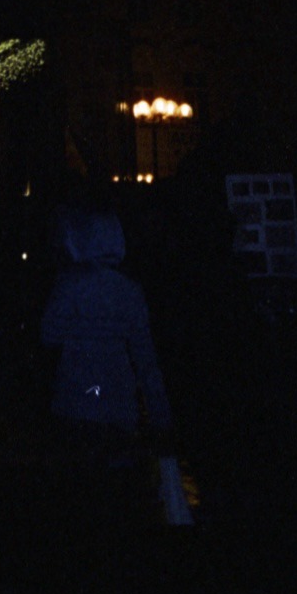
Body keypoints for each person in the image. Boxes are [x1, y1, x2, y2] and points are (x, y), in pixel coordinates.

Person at [41, 207, 189, 519]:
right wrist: (161, 418)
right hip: (117, 405)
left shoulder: (69, 285)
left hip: (75, 402)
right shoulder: (129, 290)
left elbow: (48, 335)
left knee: (79, 496)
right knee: (114, 495)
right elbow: (146, 359)